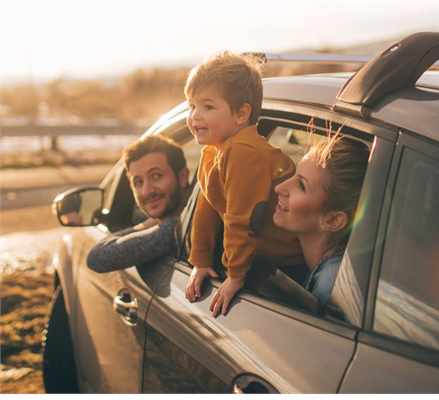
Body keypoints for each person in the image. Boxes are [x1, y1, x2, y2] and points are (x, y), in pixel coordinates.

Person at [184, 51, 303, 316]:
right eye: (191, 106)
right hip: (269, 259)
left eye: (208, 107)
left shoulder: (242, 152)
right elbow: (207, 208)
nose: (195, 116)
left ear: (241, 114)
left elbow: (241, 219)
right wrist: (201, 261)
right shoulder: (215, 151)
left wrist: (235, 276)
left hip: (292, 262)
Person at [273, 137, 369, 315]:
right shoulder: (333, 271)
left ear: (332, 221)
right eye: (294, 174)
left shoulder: (330, 290)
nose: (279, 188)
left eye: (301, 185)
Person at [86, 135, 190, 273]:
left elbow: (97, 258)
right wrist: (153, 223)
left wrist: (147, 225)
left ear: (182, 177)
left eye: (156, 176)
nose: (146, 191)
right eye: (138, 182)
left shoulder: (180, 229)